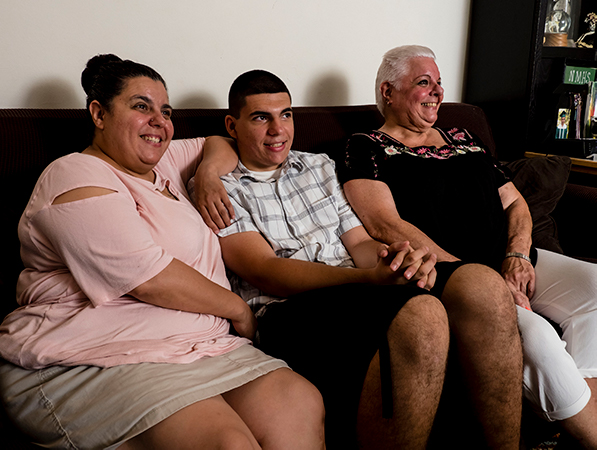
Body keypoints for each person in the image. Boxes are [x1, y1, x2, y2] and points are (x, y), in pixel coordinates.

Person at [0, 54, 325, 450]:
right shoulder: (76, 174)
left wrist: (207, 174)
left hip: (200, 347)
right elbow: (148, 277)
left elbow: (219, 141)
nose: (159, 120)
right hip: (94, 353)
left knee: (300, 400)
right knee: (229, 442)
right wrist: (238, 309)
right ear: (99, 114)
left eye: (165, 110)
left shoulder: (165, 161)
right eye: (141, 106)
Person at [190, 69, 523, 449]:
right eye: (261, 117)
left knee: (484, 284)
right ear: (232, 125)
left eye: (286, 115)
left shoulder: (318, 166)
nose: (278, 130)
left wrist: (393, 260)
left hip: (356, 288)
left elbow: (359, 243)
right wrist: (367, 280)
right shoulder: (218, 187)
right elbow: (266, 271)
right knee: (422, 314)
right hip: (287, 308)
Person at [338, 44, 597, 448]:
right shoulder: (365, 146)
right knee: (540, 337)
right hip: (455, 277)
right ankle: (588, 431)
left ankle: (572, 400)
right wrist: (486, 278)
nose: (438, 92)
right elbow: (385, 223)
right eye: (424, 83)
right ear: (388, 92)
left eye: (439, 83)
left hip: (512, 261)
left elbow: (515, 202)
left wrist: (515, 255)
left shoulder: (463, 135)